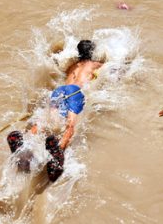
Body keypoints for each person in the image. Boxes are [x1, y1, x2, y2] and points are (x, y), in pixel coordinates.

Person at [7, 40, 104, 181]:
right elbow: (111, 69)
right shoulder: (95, 64)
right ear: (92, 53)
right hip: (75, 93)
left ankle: (25, 143)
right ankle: (57, 157)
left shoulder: (72, 65)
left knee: (45, 121)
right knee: (70, 126)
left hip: (58, 92)